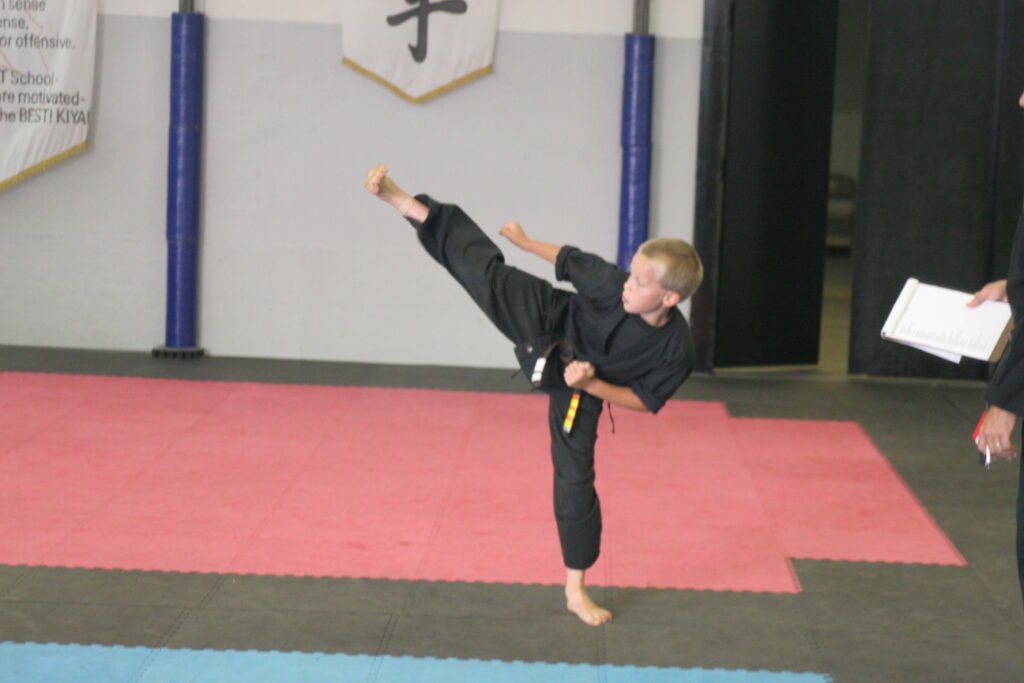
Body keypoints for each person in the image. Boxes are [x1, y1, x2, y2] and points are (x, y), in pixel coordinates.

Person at [364, 164, 703, 625]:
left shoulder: (675, 349)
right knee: (487, 275)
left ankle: (575, 589)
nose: (628, 284)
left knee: (574, 477)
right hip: (552, 321)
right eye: (631, 274)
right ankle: (404, 201)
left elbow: (644, 400)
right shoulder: (611, 285)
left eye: (641, 283)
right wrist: (525, 242)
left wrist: (591, 385)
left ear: (670, 299)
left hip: (584, 388)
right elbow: (567, 259)